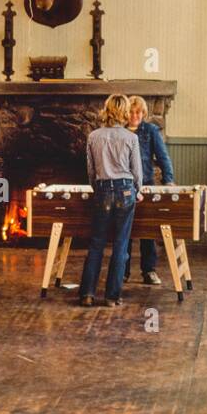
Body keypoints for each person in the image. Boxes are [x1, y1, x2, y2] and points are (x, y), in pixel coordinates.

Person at [79, 94, 143, 307]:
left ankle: (87, 294)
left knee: (97, 243)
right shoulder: (131, 138)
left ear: (106, 110)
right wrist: (137, 190)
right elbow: (137, 173)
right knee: (121, 244)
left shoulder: (93, 136)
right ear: (125, 112)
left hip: (102, 190)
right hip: (125, 191)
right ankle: (112, 297)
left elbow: (90, 171)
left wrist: (97, 188)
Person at [123, 95, 175, 285]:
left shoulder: (150, 130)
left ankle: (149, 270)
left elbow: (163, 157)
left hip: (146, 184)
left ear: (143, 113)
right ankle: (123, 271)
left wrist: (168, 180)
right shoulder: (120, 131)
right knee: (125, 231)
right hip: (124, 186)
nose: (134, 115)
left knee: (147, 230)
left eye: (138, 112)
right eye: (131, 111)